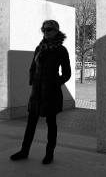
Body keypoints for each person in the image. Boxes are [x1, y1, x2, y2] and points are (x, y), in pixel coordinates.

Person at [10, 19, 71, 165]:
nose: (46, 32)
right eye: (44, 29)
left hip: (51, 93)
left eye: (49, 29)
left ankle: (49, 153)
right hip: (36, 93)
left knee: (51, 123)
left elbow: (67, 73)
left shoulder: (61, 50)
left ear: (56, 31)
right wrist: (33, 80)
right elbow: (32, 67)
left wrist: (54, 83)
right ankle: (24, 151)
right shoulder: (40, 48)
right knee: (31, 123)